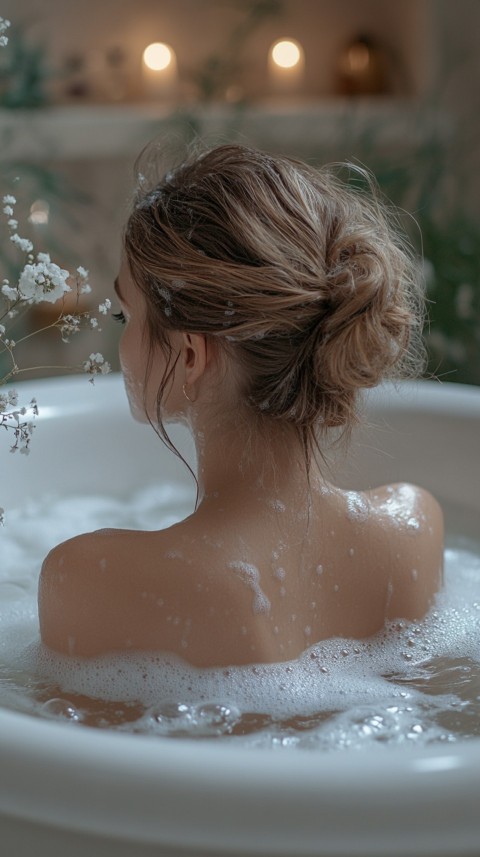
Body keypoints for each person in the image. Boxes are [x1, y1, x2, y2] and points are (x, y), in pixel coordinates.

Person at [38, 144, 443, 667]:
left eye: (125, 316)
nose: (120, 343)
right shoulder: (413, 533)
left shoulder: (92, 581)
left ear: (189, 355)